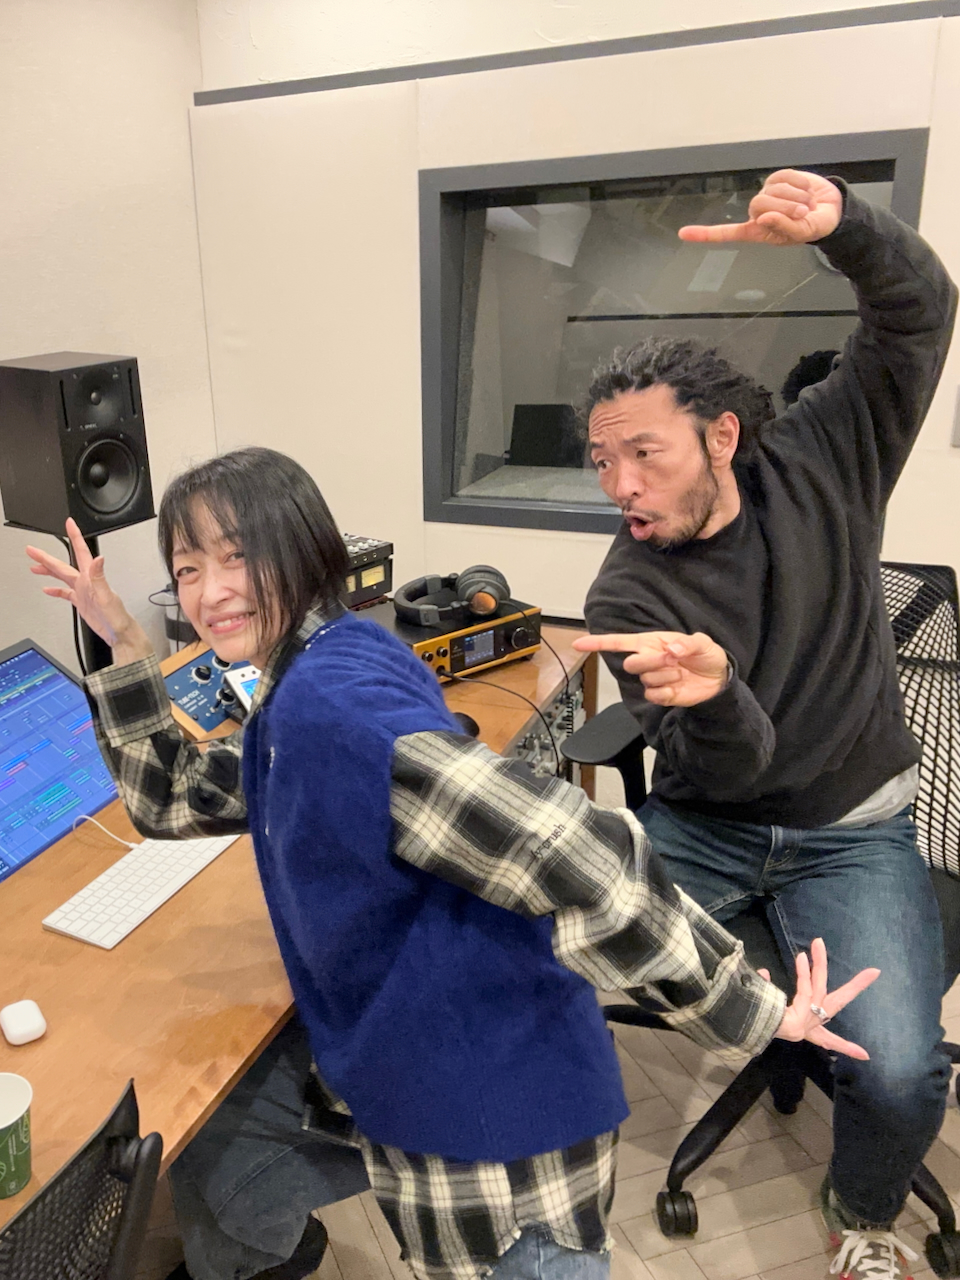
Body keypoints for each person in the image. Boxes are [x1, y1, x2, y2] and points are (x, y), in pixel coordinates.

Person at [26, 450, 876, 1280]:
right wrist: (124, 640)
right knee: (227, 1145)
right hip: (443, 1055)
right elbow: (176, 796)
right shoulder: (326, 665)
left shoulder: (327, 710)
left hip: (497, 1128)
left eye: (237, 557)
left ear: (304, 548)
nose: (209, 592)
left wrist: (751, 1012)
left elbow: (584, 853)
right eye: (187, 569)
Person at [575, 168, 957, 1279]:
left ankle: (862, 1213)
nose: (619, 484)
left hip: (853, 827)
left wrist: (848, 230)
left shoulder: (828, 455)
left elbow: (919, 315)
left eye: (644, 453)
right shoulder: (627, 591)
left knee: (901, 1069)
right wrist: (716, 700)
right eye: (602, 461)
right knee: (551, 964)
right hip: (710, 822)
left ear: (723, 436)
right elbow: (730, 767)